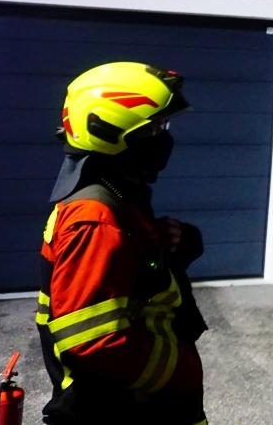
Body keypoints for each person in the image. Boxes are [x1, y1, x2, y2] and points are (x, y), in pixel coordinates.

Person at [36, 62, 209, 424]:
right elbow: (92, 342)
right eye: (156, 128)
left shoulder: (118, 195)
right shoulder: (95, 218)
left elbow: (132, 277)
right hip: (129, 409)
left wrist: (171, 243)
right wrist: (179, 372)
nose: (165, 137)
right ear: (111, 132)